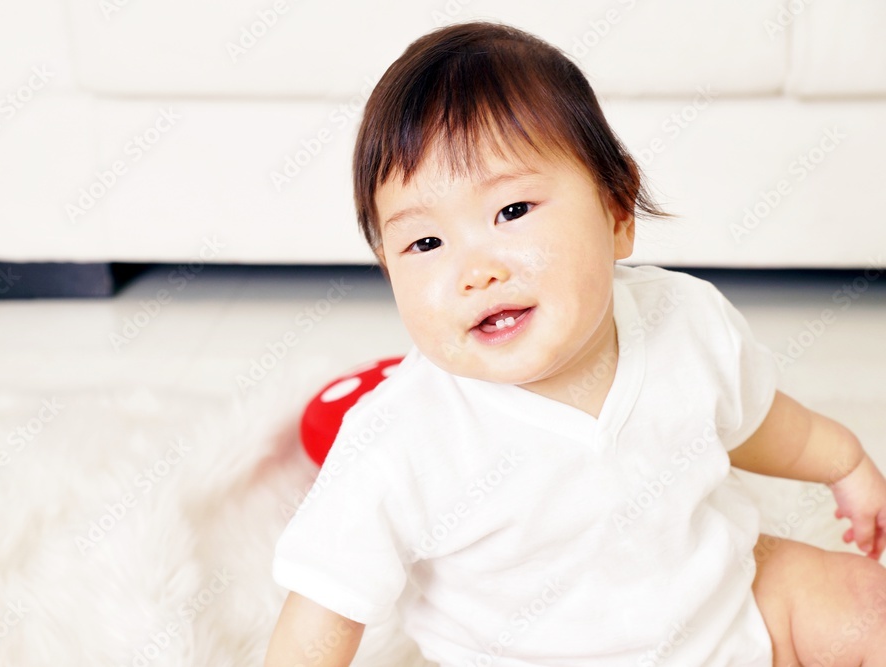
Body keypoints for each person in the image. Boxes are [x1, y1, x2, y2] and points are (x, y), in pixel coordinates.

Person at [264, 21, 886, 666]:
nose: (475, 271)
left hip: (729, 614)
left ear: (617, 212)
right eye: (426, 243)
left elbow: (751, 416)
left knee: (865, 602)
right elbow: (323, 607)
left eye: (511, 211)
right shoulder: (400, 437)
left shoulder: (683, 317)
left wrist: (842, 462)